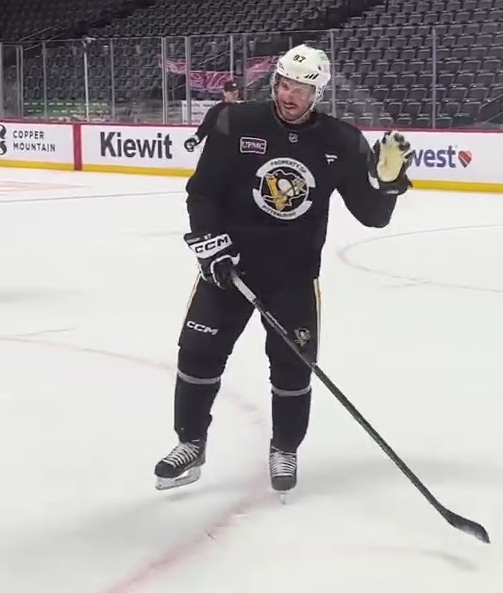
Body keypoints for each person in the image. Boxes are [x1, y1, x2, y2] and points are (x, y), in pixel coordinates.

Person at [154, 44, 412, 494]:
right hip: (228, 269)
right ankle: (191, 442)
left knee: (292, 368)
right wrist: (210, 243)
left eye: (303, 89)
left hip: (293, 276)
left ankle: (285, 447)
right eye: (285, 85)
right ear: (274, 81)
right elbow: (203, 192)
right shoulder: (236, 122)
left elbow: (372, 215)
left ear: (319, 94)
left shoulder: (342, 140)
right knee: (197, 353)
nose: (290, 96)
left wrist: (388, 186)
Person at [184, 80, 242, 153]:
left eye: (236, 92)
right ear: (224, 93)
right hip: (219, 150)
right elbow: (205, 127)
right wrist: (195, 139)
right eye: (231, 92)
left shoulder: (242, 109)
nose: (234, 95)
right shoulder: (216, 110)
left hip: (236, 151)